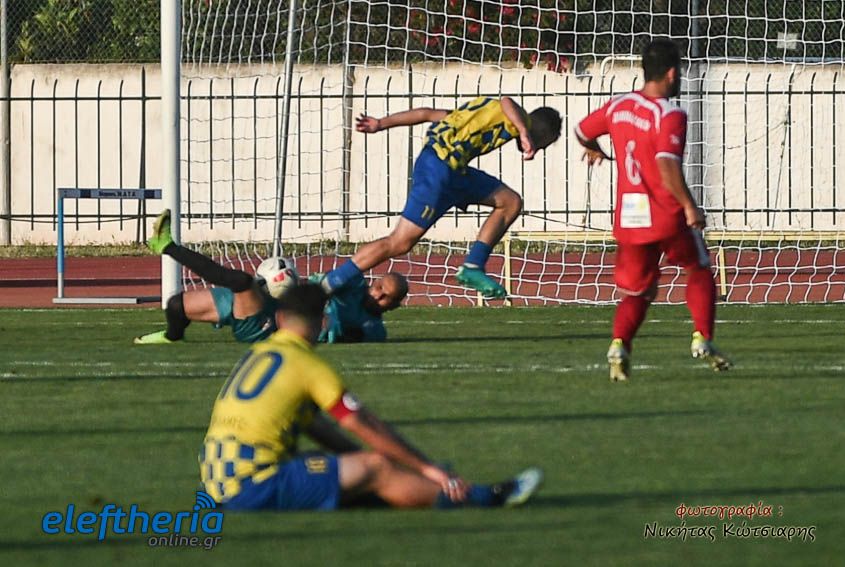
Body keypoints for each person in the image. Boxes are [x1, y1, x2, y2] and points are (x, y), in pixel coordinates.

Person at [199, 283, 543, 511]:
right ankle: (481, 498)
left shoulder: (260, 353)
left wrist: (364, 458)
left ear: (278, 318)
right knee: (376, 468)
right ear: (322, 321)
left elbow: (316, 426)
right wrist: (427, 468)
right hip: (251, 487)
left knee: (350, 466)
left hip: (217, 480)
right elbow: (363, 423)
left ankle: (403, 491)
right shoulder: (306, 364)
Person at [574, 38, 731, 382]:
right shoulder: (669, 114)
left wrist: (595, 147)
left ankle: (619, 345)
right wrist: (689, 205)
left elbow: (581, 130)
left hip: (630, 215)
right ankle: (702, 336)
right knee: (698, 268)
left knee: (638, 290)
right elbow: (666, 165)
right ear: (672, 73)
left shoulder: (618, 106)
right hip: (665, 213)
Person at [320, 96, 563, 300]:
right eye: (544, 144)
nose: (539, 148)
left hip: (454, 171)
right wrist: (524, 131)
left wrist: (381, 123)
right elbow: (507, 101)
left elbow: (426, 113)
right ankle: (332, 281)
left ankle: (473, 266)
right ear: (544, 133)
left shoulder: (473, 114)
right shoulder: (519, 118)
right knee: (400, 242)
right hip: (438, 170)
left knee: (510, 201)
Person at [133, 209, 407, 345]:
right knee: (176, 306)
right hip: (274, 303)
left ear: (394, 306)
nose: (379, 295)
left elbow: (342, 333)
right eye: (379, 287)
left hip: (271, 327)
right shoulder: (355, 285)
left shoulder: (374, 329)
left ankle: (167, 246)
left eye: (386, 297)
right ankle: (171, 338)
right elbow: (327, 282)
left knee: (242, 282)